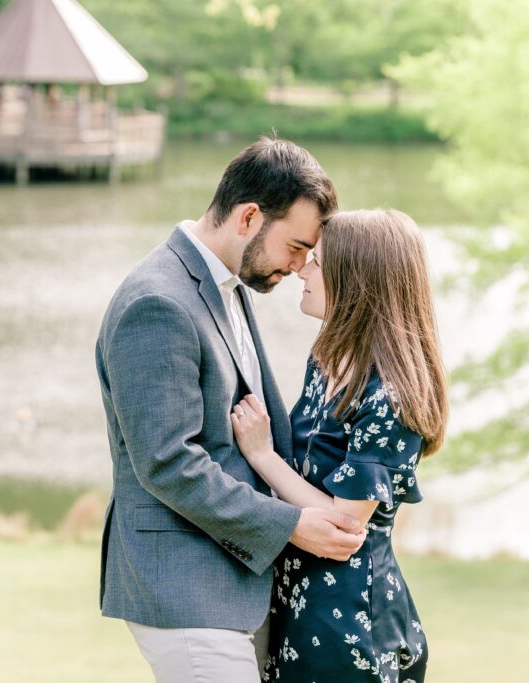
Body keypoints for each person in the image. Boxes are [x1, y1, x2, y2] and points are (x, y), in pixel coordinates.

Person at [95, 137, 367, 681]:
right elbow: (168, 463)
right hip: (184, 585)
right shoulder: (158, 301)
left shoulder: (229, 285)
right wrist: (290, 524)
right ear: (248, 217)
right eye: (295, 247)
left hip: (236, 580)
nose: (297, 267)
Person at [231, 209, 449, 683]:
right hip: (295, 603)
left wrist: (263, 456)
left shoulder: (388, 396)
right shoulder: (325, 361)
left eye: (318, 262)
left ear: (356, 280)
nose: (301, 271)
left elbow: (345, 525)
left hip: (349, 622)